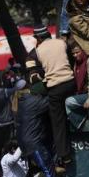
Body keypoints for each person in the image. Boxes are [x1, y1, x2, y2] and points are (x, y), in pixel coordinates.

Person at [26, 26, 76, 163]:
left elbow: (32, 77)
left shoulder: (36, 52)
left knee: (58, 121)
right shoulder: (62, 43)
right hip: (71, 84)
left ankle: (64, 155)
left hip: (55, 88)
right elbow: (71, 61)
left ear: (39, 38)